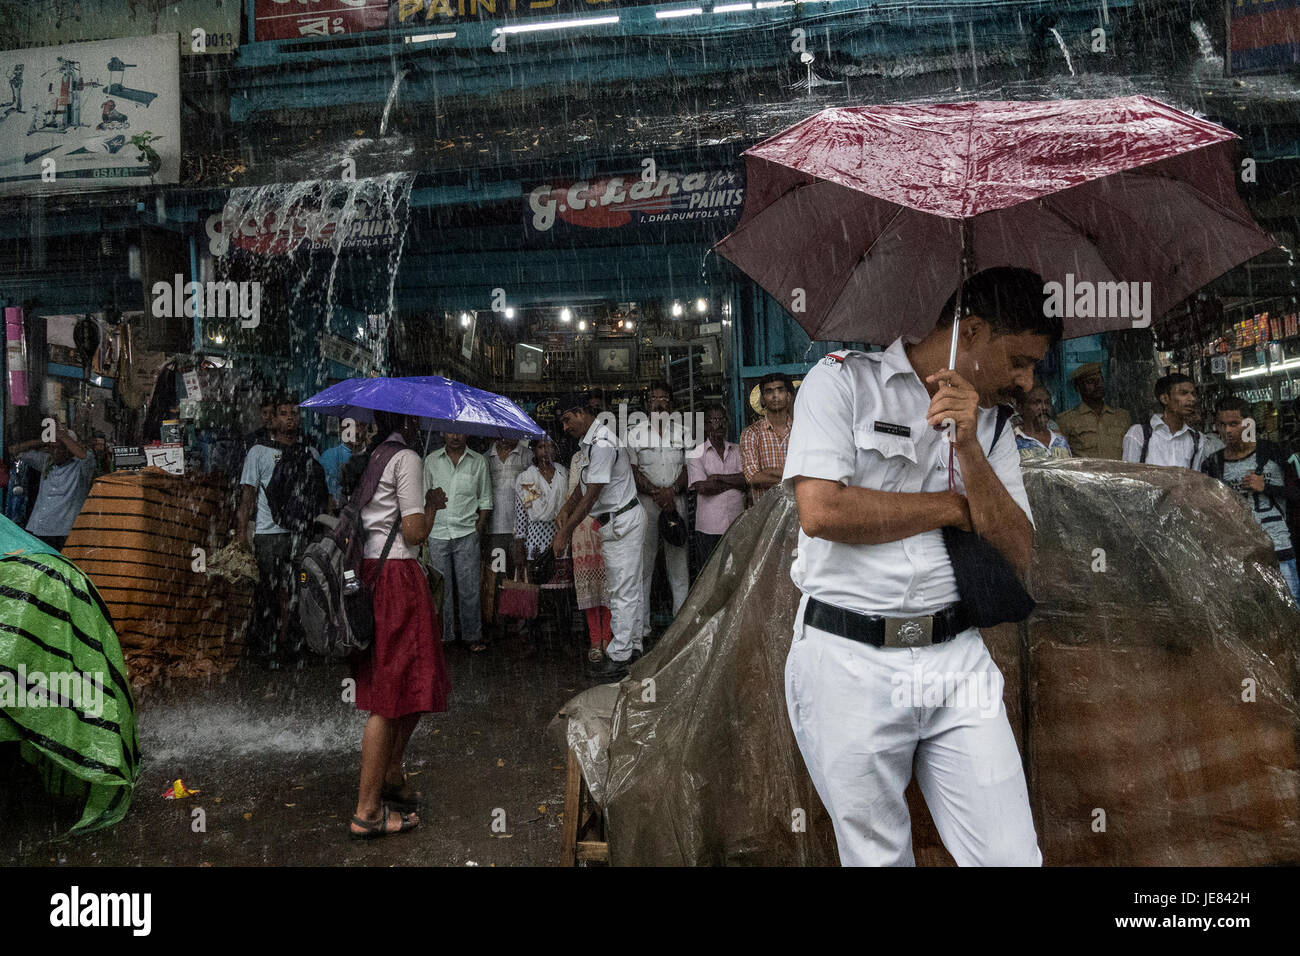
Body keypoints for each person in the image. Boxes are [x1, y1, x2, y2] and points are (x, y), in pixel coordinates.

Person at [783, 266, 1056, 867]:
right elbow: (823, 511)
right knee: (878, 857)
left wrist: (968, 449)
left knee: (1012, 857)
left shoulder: (990, 425)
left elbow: (1016, 550)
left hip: (957, 660)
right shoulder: (843, 385)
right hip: (847, 656)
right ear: (974, 330)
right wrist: (954, 508)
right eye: (1018, 359)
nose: (1025, 379)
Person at [349, 410, 451, 839]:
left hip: (376, 573)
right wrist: (430, 505)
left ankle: (391, 774)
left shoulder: (377, 457)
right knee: (389, 696)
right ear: (408, 422)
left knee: (411, 682)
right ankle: (367, 812)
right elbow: (412, 532)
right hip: (397, 577)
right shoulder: (406, 457)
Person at [552, 394, 646, 680]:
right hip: (616, 524)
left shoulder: (602, 443)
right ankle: (633, 647)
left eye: (568, 419)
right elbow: (582, 488)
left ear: (581, 412)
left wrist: (565, 532)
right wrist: (565, 510)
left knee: (622, 592)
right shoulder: (592, 444)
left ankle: (619, 656)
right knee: (628, 589)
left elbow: (592, 494)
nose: (565, 427)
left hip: (622, 522)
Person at [236, 395, 322, 668]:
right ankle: (265, 650)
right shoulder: (257, 452)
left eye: (294, 413)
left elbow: (318, 495)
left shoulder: (309, 451)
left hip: (299, 534)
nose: (290, 418)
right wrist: (241, 535)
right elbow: (248, 495)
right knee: (268, 595)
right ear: (272, 420)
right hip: (268, 536)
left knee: (300, 593)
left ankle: (296, 648)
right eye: (284, 413)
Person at [1202, 397, 1300, 601]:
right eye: (1221, 425)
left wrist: (1268, 488)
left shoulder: (1277, 452)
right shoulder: (1213, 463)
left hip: (1280, 548)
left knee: (1291, 611)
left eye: (1234, 424)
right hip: (1239, 554)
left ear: (1248, 423)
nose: (1227, 431)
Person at [628, 382, 689, 643]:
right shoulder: (634, 435)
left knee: (679, 566)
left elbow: (689, 468)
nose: (659, 403)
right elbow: (632, 471)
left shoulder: (684, 432)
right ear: (646, 404)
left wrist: (672, 491)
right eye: (654, 399)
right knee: (644, 567)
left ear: (671, 404)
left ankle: (681, 627)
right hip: (647, 506)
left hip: (676, 503)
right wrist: (657, 492)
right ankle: (642, 629)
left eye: (664, 399)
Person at [423, 432, 493, 652]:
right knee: (441, 589)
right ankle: (445, 634)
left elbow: (485, 499)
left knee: (469, 588)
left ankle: (472, 635)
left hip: (466, 533)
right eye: (450, 431)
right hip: (437, 532)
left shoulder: (478, 461)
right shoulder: (431, 460)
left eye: (460, 431)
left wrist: (479, 528)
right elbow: (424, 497)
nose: (455, 436)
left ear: (467, 433)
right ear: (443, 433)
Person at [512, 435, 572, 643]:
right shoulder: (526, 478)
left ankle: (563, 640)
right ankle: (534, 641)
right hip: (535, 542)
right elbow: (526, 514)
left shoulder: (564, 474)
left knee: (561, 595)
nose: (545, 451)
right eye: (540, 447)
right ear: (534, 451)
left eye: (550, 446)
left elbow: (569, 506)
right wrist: (519, 544)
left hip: (561, 538)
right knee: (536, 594)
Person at [564, 430, 612, 662]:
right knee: (589, 587)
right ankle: (595, 639)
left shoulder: (609, 453)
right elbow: (575, 491)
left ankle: (609, 638)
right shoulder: (576, 458)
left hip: (606, 523)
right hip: (582, 527)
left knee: (609, 585)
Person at [8, 422, 94, 551]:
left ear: (70, 450)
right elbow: (13, 450)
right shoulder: (46, 461)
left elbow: (84, 456)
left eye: (61, 448)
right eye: (52, 448)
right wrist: (44, 440)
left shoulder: (81, 466)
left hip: (65, 530)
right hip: (40, 527)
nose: (55, 452)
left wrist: (63, 437)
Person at [685, 402, 746, 569]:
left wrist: (718, 477)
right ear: (705, 425)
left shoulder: (738, 450)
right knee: (709, 576)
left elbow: (746, 480)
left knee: (736, 574)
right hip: (709, 528)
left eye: (722, 419)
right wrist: (734, 483)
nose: (718, 424)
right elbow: (702, 488)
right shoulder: (696, 453)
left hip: (736, 524)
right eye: (713, 420)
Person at [485, 437, 533, 638]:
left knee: (521, 574)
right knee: (498, 576)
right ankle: (499, 623)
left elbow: (532, 492)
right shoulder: (487, 457)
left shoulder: (527, 455)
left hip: (520, 528)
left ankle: (522, 624)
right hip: (494, 528)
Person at [1121, 373, 1205, 470]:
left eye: (1193, 394)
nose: (1192, 399)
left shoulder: (1197, 440)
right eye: (1183, 393)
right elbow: (1130, 478)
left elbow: (1195, 480)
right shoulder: (1139, 434)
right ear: (1165, 399)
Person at [1055, 362, 1131, 459]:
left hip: (1117, 473)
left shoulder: (1122, 416)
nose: (1098, 385)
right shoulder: (1066, 420)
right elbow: (1062, 457)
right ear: (1078, 388)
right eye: (1091, 381)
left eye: (1100, 380)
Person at [740, 372, 794, 502]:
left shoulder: (801, 431)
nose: (775, 396)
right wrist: (791, 478)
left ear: (788, 396)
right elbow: (753, 478)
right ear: (762, 399)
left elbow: (809, 472)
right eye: (769, 392)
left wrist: (769, 472)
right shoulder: (751, 433)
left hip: (798, 510)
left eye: (780, 390)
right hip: (766, 513)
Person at [1014, 385, 1072, 462]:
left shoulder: (1060, 439)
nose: (1044, 407)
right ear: (1020, 408)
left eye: (1047, 402)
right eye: (1036, 403)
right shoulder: (1014, 440)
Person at [320, 425, 370, 512]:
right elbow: (330, 495)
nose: (357, 432)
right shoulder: (330, 456)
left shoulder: (370, 457)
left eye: (361, 426)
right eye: (353, 426)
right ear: (342, 430)